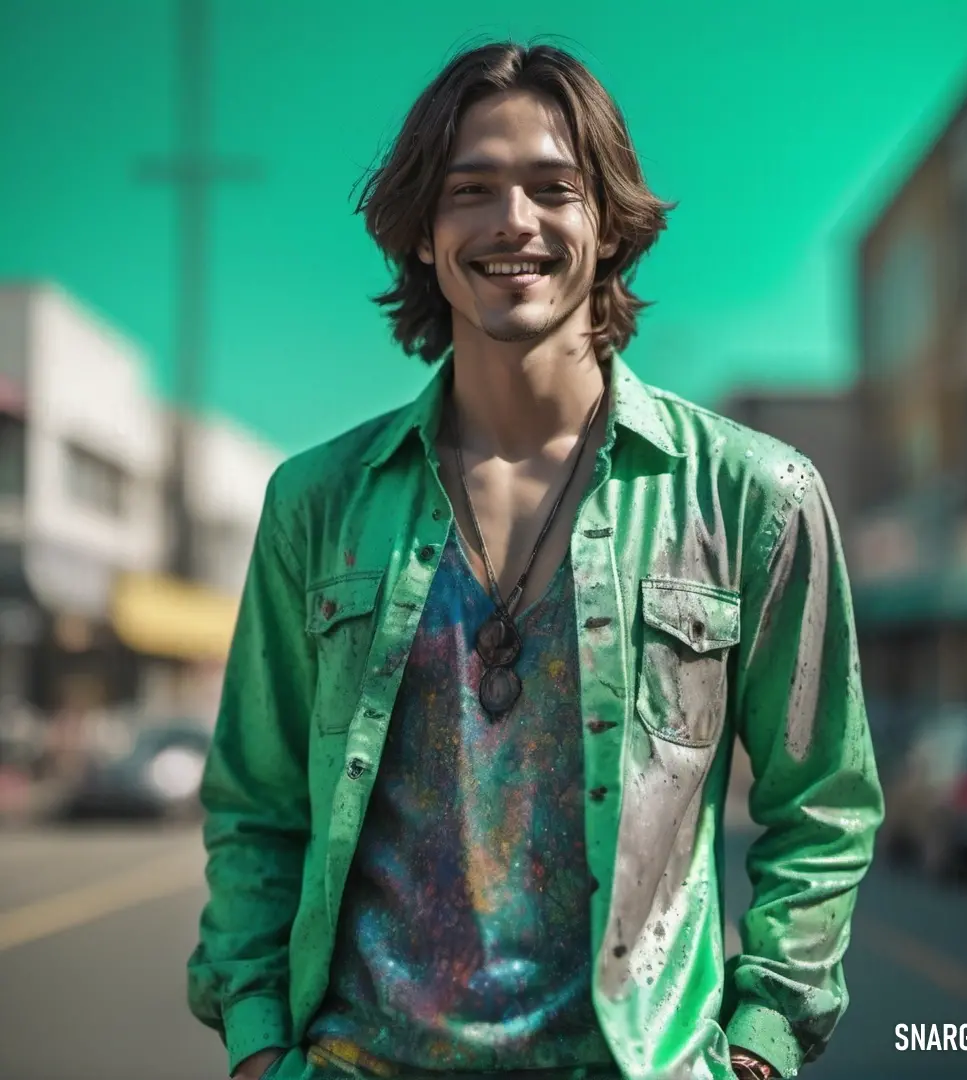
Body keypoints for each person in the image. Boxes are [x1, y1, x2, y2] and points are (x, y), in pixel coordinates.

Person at [188, 41, 884, 1080]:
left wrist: (760, 1047)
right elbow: (257, 802)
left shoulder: (754, 496)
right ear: (423, 234)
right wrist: (255, 1047)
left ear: (606, 226)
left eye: (553, 188)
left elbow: (823, 800)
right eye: (471, 191)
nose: (513, 221)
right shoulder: (319, 502)